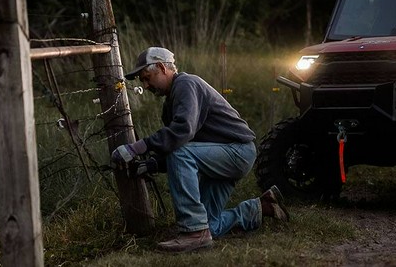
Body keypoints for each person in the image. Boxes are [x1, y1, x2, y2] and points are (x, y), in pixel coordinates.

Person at [110, 46, 289, 252]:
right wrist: (150, 164)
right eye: (142, 80)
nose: (145, 85)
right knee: (209, 225)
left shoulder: (186, 84)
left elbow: (182, 132)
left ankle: (193, 233)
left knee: (181, 156)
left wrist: (136, 148)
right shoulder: (171, 103)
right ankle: (261, 207)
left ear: (162, 67)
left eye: (147, 77)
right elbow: (181, 149)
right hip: (220, 156)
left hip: (236, 151)